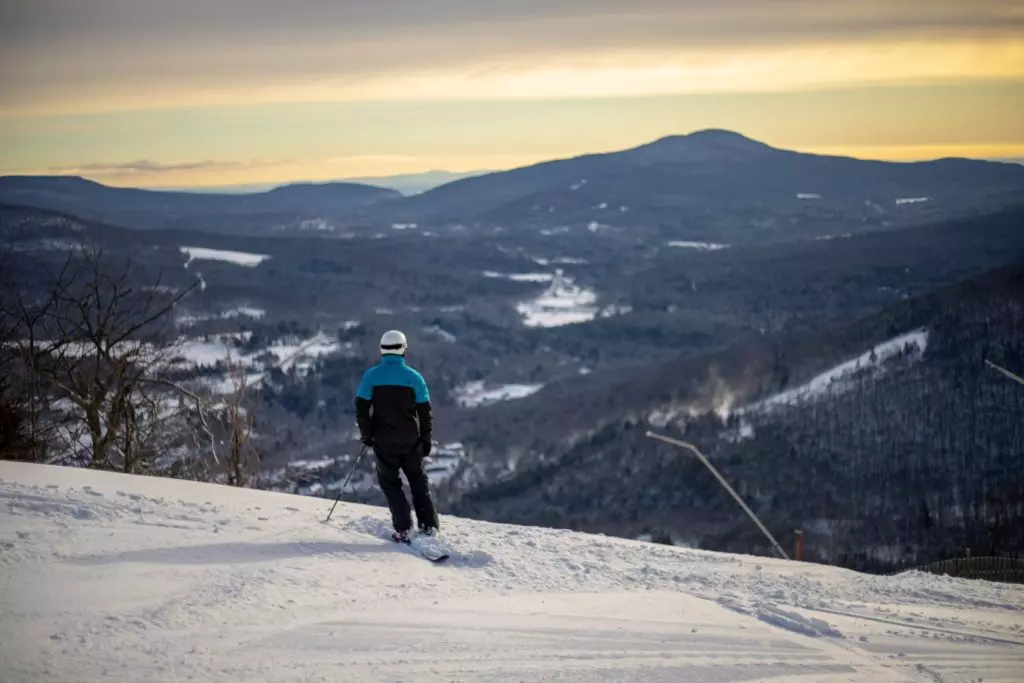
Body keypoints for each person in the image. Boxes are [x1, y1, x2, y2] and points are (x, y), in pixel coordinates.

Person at [354, 329, 439, 542]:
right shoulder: (414, 378)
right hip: (411, 441)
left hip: (383, 442)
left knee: (391, 485)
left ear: (382, 349)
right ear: (403, 349)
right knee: (418, 482)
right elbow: (425, 412)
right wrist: (425, 439)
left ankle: (403, 529)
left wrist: (367, 435)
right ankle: (429, 526)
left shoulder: (371, 376)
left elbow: (361, 409)